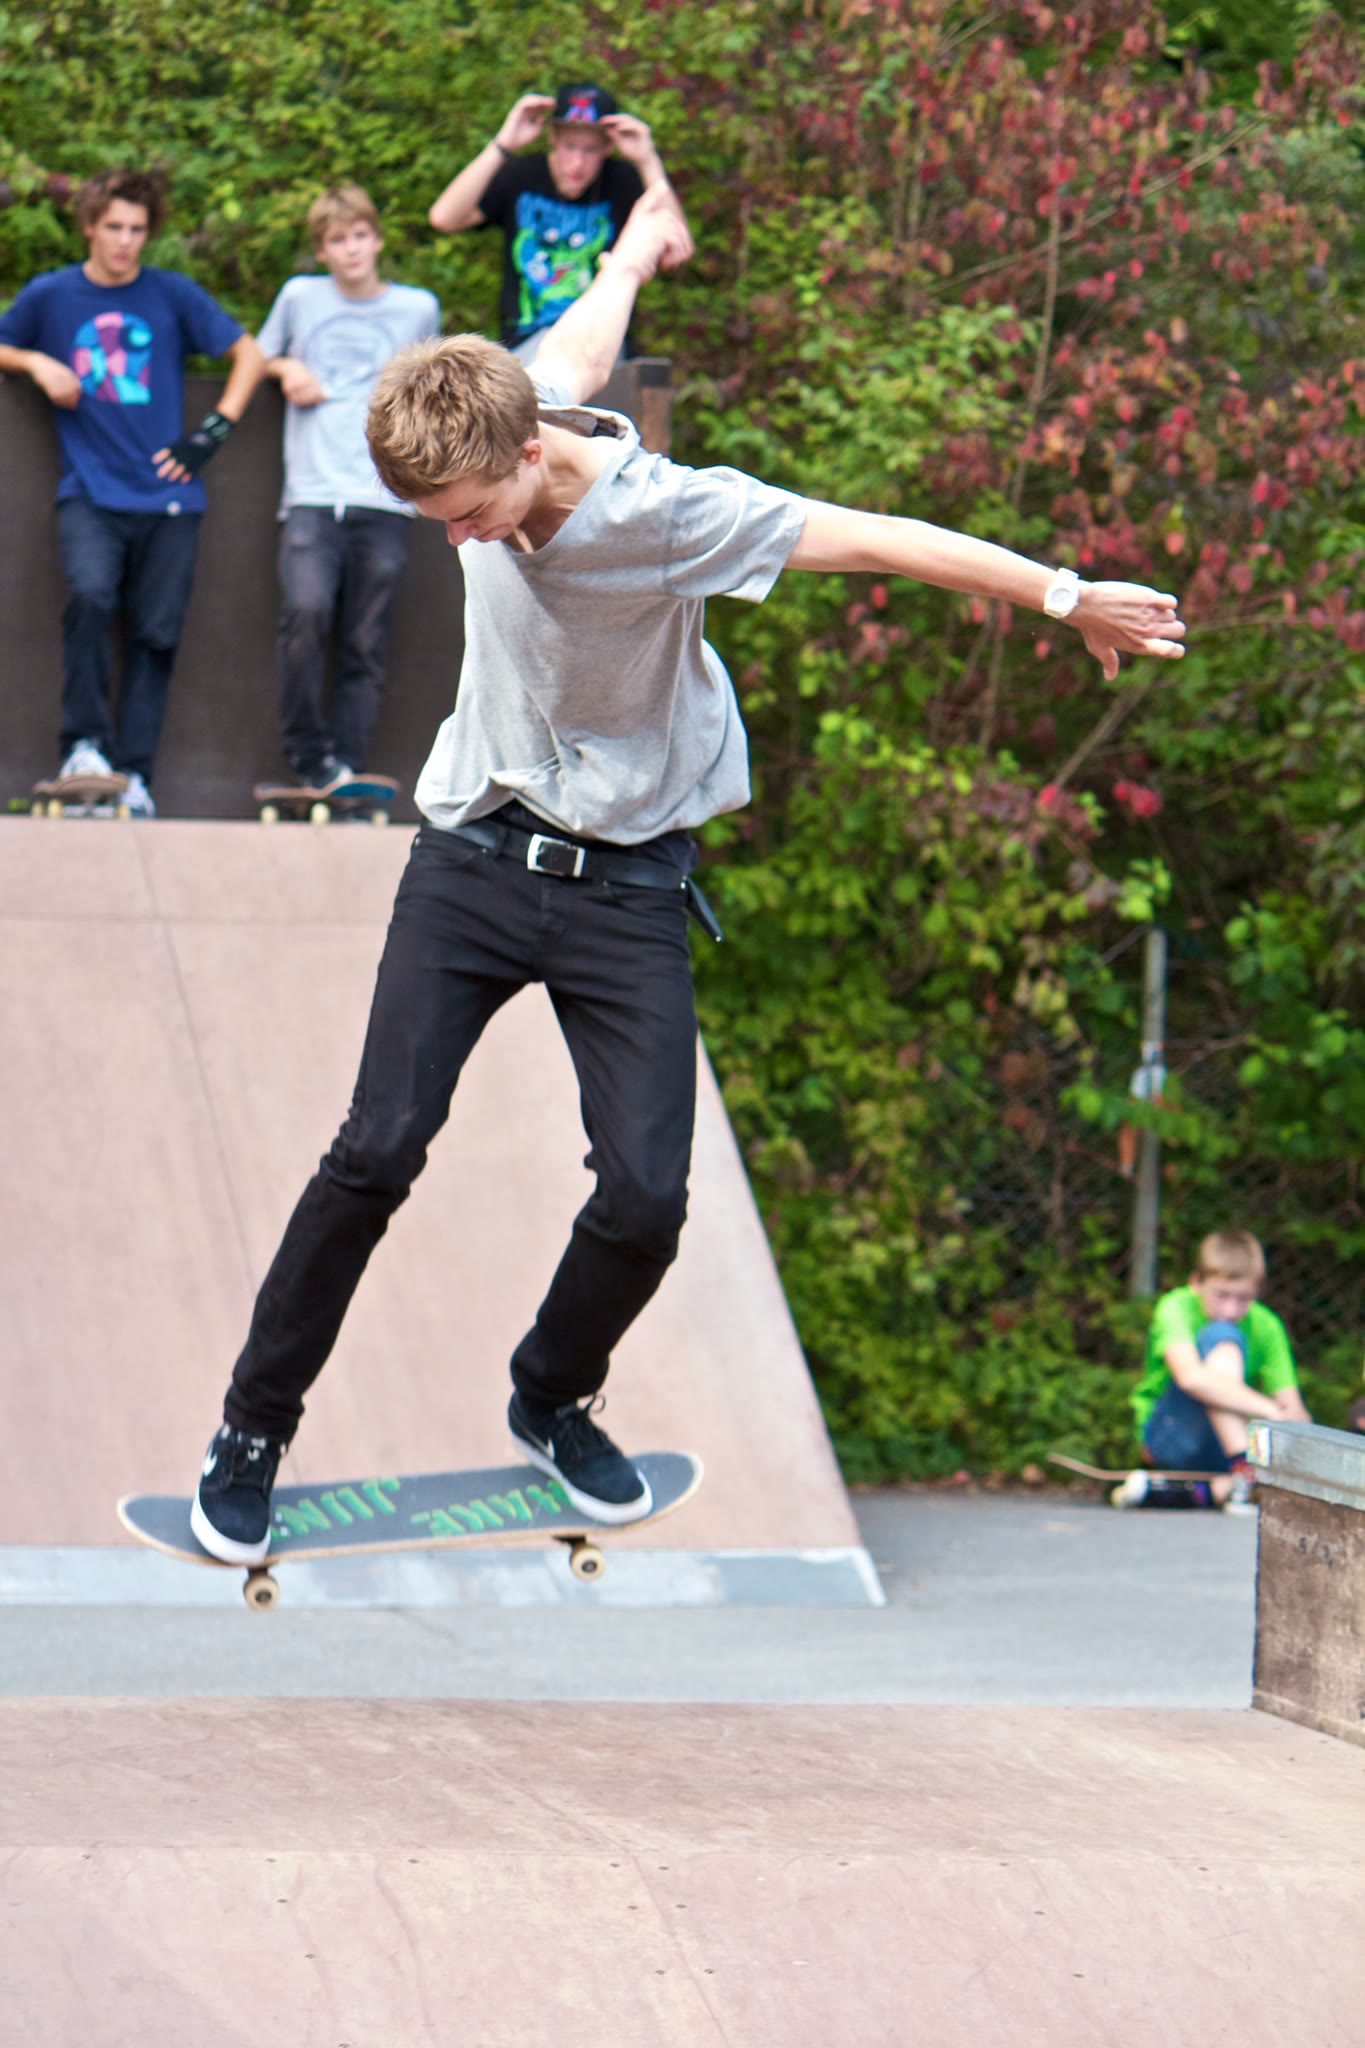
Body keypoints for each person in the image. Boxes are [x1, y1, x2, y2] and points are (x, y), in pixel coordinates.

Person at [191, 185, 1188, 1566]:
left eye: (471, 517)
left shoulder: (673, 515)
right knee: (376, 1147)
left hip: (628, 887)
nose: (461, 543)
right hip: (472, 859)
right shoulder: (508, 397)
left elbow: (879, 537)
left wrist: (1065, 597)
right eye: (439, 524)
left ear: (528, 454)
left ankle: (550, 1395)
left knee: (648, 1198)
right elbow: (588, 333)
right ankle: (251, 1427)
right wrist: (635, 246)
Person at [0, 168, 265, 816]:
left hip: (170, 499)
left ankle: (135, 775)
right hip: (90, 491)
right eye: (114, 227)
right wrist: (34, 362)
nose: (125, 240)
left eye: (137, 229)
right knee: (90, 598)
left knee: (156, 634)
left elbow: (250, 356)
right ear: (90, 226)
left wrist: (209, 435)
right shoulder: (51, 294)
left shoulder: (172, 293)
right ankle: (83, 749)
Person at [255, 185, 441, 788]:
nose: (352, 248)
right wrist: (287, 366)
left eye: (360, 235)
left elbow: (432, 391)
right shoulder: (299, 297)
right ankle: (309, 759)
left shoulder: (417, 309)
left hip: (384, 496)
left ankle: (349, 767)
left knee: (365, 638)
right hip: (312, 494)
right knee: (306, 613)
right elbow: (256, 356)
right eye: (338, 240)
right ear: (322, 250)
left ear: (378, 240)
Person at [427, 83, 685, 361]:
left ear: (608, 146)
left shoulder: (621, 181)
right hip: (527, 342)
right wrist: (503, 144)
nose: (577, 163)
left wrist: (647, 160)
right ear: (553, 137)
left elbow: (678, 246)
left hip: (600, 342)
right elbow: (444, 218)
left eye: (590, 150)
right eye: (569, 146)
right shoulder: (522, 175)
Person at [1117, 1229, 1311, 1513]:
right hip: (1172, 1436)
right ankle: (1243, 1471)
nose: (1231, 1310)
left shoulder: (1267, 1324)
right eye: (1222, 1295)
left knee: (1225, 1353)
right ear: (1197, 1282)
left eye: (1244, 1299)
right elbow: (1191, 1378)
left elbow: (1295, 1413)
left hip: (1223, 1448)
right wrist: (1270, 1410)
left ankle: (1213, 1490)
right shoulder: (1176, 1306)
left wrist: (1289, 1424)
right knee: (1221, 1334)